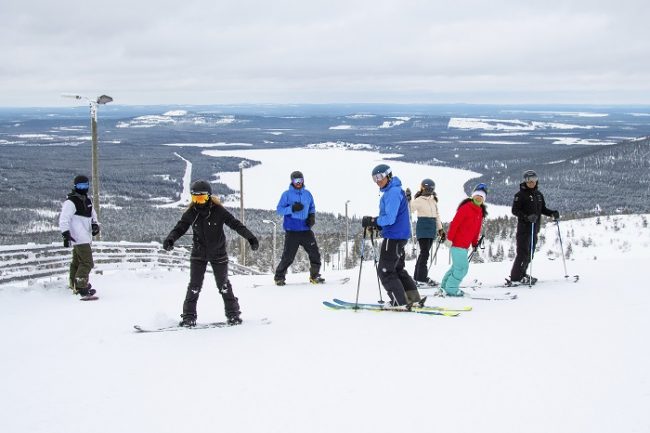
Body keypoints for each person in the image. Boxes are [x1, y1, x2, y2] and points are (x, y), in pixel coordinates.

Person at [163, 179, 259, 327]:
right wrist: (170, 239)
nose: (198, 202)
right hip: (198, 254)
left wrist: (250, 238)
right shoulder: (191, 213)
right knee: (194, 286)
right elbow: (180, 228)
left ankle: (233, 314)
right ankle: (189, 317)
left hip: (218, 254)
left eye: (201, 198)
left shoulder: (218, 211)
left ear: (208, 196)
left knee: (224, 285)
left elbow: (235, 224)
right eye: (195, 198)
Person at [361, 164, 422, 306]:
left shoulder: (393, 192)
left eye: (380, 177)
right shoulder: (394, 190)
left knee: (385, 271)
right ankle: (413, 299)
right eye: (374, 178)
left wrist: (373, 220)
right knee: (397, 269)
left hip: (393, 237)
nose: (378, 181)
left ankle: (399, 301)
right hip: (398, 236)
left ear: (388, 175)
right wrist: (376, 224)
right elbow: (391, 218)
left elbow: (389, 219)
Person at [273, 170, 324, 285]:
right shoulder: (286, 194)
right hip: (292, 231)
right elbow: (279, 210)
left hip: (306, 230)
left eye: (300, 180)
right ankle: (279, 277)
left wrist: (312, 217)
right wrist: (292, 208)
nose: (298, 183)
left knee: (315, 253)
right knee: (288, 257)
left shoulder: (307, 194)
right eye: (296, 180)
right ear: (292, 181)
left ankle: (314, 276)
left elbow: (312, 207)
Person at [509, 170, 560, 284]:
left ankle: (522, 274)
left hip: (534, 229)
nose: (531, 182)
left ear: (536, 181)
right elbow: (515, 210)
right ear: (525, 181)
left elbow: (543, 209)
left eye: (533, 180)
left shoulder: (538, 195)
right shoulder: (520, 195)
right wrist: (527, 217)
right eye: (528, 180)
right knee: (522, 253)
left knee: (530, 254)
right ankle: (515, 278)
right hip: (524, 229)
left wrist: (552, 213)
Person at [440, 183, 488, 296]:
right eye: (477, 196)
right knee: (462, 268)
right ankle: (451, 289)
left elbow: (476, 230)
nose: (478, 198)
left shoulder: (479, 212)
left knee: (456, 267)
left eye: (481, 197)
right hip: (457, 244)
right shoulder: (466, 208)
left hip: (464, 245)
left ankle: (444, 286)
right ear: (472, 196)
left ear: (483, 199)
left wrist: (475, 243)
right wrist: (450, 239)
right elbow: (455, 223)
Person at [58, 174, 99, 297]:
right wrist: (65, 234)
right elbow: (64, 219)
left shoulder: (87, 201)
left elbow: (93, 216)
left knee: (77, 262)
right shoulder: (71, 202)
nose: (83, 188)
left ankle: (73, 284)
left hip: (85, 236)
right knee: (87, 262)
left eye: (86, 185)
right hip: (78, 237)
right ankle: (81, 286)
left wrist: (95, 225)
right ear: (75, 186)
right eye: (81, 185)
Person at [408, 178, 445, 287]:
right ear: (422, 188)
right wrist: (408, 199)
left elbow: (437, 215)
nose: (428, 191)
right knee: (425, 253)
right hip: (423, 227)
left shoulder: (433, 200)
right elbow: (410, 209)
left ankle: (417, 277)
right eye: (427, 189)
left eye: (430, 189)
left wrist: (440, 229)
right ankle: (422, 277)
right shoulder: (419, 200)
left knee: (424, 253)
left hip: (431, 227)